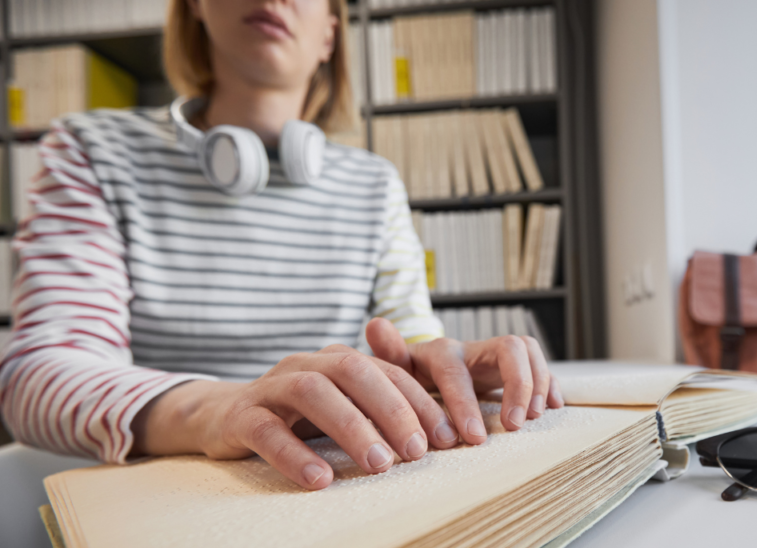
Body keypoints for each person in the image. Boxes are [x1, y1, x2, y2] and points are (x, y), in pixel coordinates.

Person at [0, 0, 562, 491]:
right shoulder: (92, 152)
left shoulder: (373, 184)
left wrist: (443, 368)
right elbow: (39, 378)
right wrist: (218, 411)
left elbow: (407, 345)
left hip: (329, 489)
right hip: (163, 498)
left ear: (329, 36)